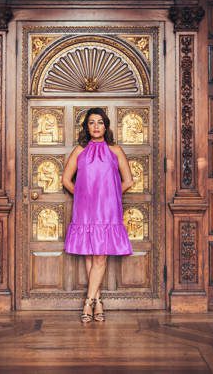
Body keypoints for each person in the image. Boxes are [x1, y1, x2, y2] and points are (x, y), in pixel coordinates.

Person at [62, 107, 134, 323]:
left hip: (107, 209)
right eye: (91, 122)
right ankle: (99, 302)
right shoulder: (79, 151)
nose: (95, 126)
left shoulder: (116, 150)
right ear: (86, 127)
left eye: (100, 122)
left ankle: (88, 302)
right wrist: (84, 195)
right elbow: (66, 180)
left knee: (100, 256)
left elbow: (128, 181)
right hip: (85, 209)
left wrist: (110, 195)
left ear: (106, 125)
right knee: (89, 254)